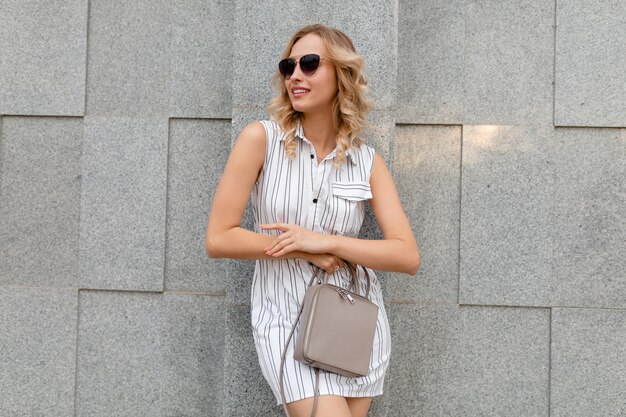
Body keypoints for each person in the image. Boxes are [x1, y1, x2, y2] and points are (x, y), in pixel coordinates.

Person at [206, 23, 420, 417]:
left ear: (342, 75)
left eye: (309, 64)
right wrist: (301, 249)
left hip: (354, 324)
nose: (295, 76)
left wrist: (329, 243)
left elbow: (407, 256)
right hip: (285, 321)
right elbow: (219, 238)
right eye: (289, 67)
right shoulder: (261, 140)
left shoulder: (367, 162)